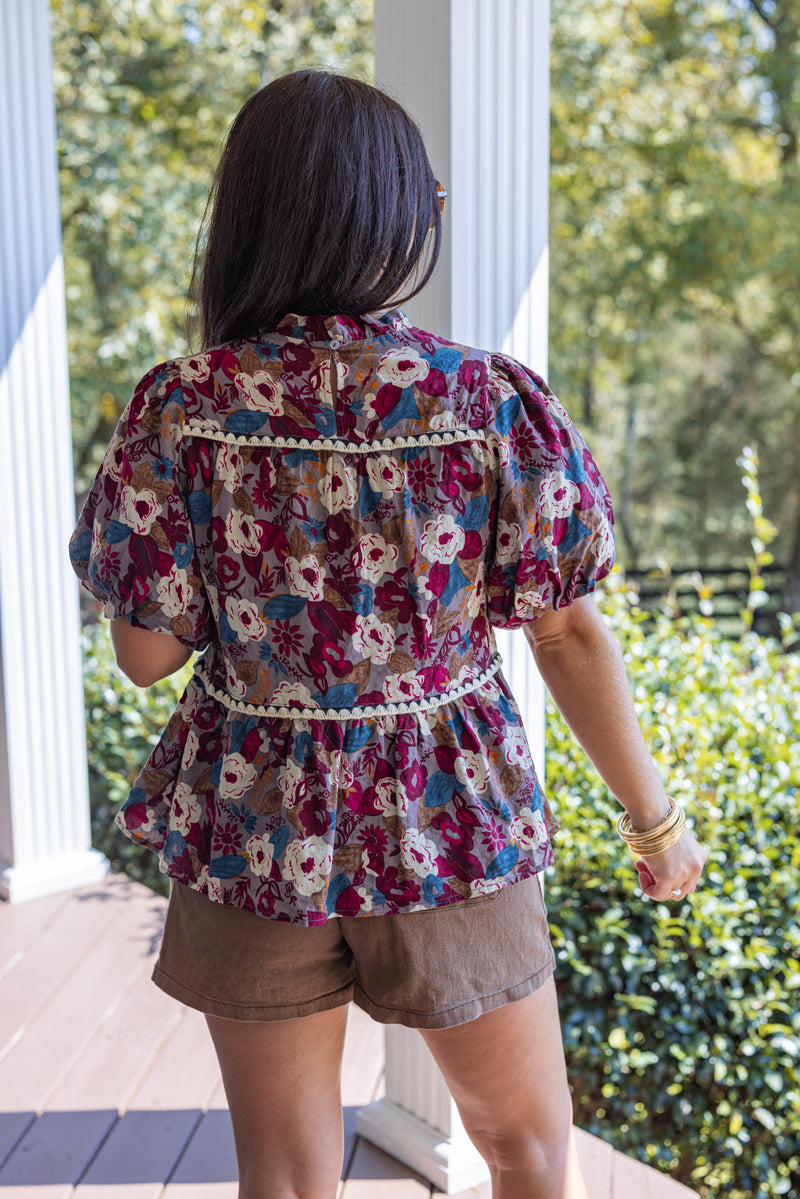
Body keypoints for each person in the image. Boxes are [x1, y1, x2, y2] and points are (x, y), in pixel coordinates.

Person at [69, 69, 706, 1199]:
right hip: (449, 814)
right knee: (525, 1149)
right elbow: (564, 634)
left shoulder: (182, 404)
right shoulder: (488, 402)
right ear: (395, 215)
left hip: (249, 820)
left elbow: (145, 654)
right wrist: (651, 821)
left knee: (284, 1172)